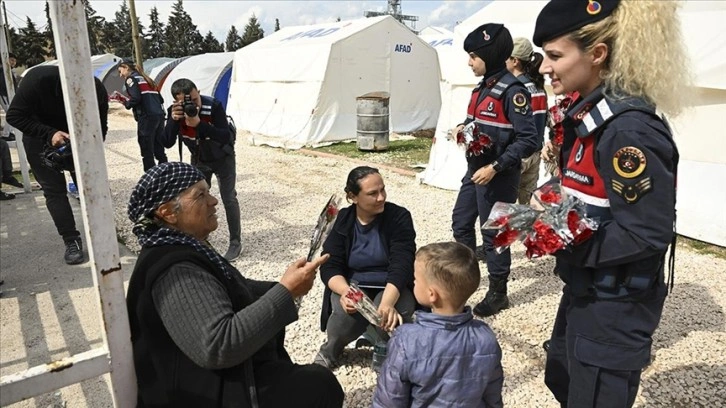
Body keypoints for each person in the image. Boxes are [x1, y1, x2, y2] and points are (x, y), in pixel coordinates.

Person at [532, 0, 687, 406]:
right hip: (587, 288)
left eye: (554, 56)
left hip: (613, 303)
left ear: (597, 54)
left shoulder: (627, 130)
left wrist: (563, 239)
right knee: (562, 377)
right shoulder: (590, 117)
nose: (544, 68)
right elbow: (592, 193)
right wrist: (551, 205)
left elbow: (646, 232)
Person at [126, 161, 344, 408]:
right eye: (200, 195)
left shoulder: (184, 245)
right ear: (168, 213)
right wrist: (285, 292)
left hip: (217, 377)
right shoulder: (175, 271)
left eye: (208, 191)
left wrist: (280, 287)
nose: (214, 201)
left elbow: (226, 287)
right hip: (200, 392)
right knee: (319, 386)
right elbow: (218, 345)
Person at [451, 23, 541, 317]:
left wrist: (496, 166)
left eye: (473, 56)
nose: (469, 62)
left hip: (498, 176)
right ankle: (469, 277)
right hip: (474, 171)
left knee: (495, 235)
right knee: (461, 223)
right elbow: (474, 123)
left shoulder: (513, 91)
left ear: (489, 56)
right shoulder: (481, 90)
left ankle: (498, 292)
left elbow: (530, 139)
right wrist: (463, 129)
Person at [372, 242, 503, 408]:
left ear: (431, 294)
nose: (413, 282)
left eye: (416, 279)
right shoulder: (486, 337)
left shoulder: (406, 340)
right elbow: (493, 394)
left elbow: (390, 399)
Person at [314, 166, 416, 369]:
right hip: (354, 283)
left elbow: (402, 263)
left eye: (383, 190)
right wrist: (345, 292)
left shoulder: (398, 217)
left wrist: (387, 302)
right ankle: (331, 349)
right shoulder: (342, 219)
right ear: (353, 196)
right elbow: (329, 265)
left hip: (390, 283)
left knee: (390, 315)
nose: (381, 197)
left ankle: (386, 346)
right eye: (372, 193)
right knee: (344, 319)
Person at [6, 65, 108, 265]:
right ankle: (71, 240)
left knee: (91, 187)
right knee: (55, 191)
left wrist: (92, 150)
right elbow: (14, 116)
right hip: (39, 136)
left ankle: (101, 235)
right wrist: (50, 133)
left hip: (77, 137)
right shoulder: (37, 80)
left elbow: (100, 125)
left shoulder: (95, 88)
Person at [163, 78, 241, 261]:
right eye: (187, 103)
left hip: (223, 158)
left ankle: (235, 242)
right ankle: (199, 236)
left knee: (229, 197)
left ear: (198, 91)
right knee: (195, 198)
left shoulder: (213, 106)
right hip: (199, 158)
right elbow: (166, 142)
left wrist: (199, 124)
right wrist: (173, 121)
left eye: (195, 100)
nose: (193, 106)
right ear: (176, 101)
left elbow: (224, 136)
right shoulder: (175, 112)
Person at [507, 37, 548, 205]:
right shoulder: (538, 87)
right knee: (528, 206)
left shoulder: (515, 88)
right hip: (535, 153)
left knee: (505, 206)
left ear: (515, 61)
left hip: (518, 155)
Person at [118, 59, 168, 171]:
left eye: (120, 71)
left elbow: (136, 98)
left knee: (147, 149)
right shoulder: (147, 79)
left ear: (126, 67)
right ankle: (165, 171)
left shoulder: (131, 79)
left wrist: (126, 103)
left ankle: (150, 175)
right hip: (159, 115)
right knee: (159, 147)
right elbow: (160, 99)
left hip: (147, 116)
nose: (120, 75)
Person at [1, 52, 19, 141]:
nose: (13, 62)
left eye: (15, 61)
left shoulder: (9, 71)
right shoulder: (2, 70)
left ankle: (8, 132)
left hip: (9, 95)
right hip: (4, 95)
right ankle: (6, 134)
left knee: (12, 113)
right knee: (11, 113)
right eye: (12, 60)